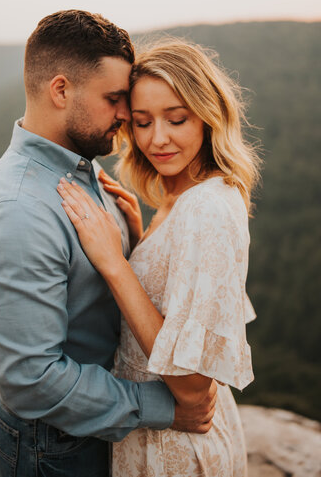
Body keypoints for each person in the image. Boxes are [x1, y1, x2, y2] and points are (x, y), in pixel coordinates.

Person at [0, 11, 216, 477]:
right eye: (114, 98)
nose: (124, 114)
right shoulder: (17, 213)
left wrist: (136, 241)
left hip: (93, 428)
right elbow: (31, 381)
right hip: (55, 447)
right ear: (61, 91)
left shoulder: (81, 166)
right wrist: (166, 407)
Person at [57, 40, 260, 476]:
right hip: (151, 434)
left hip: (179, 448)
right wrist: (139, 241)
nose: (157, 139)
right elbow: (170, 306)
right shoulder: (177, 196)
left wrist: (115, 263)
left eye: (177, 119)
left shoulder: (207, 208)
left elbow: (190, 387)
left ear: (209, 115)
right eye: (143, 122)